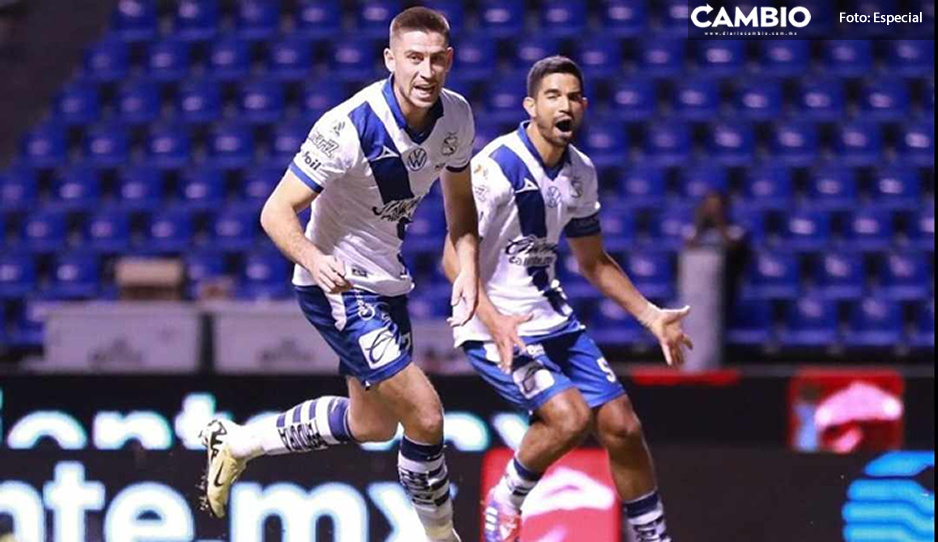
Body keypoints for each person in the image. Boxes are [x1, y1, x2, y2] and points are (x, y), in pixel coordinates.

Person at [198, 8, 479, 542]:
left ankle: (238, 443)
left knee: (372, 425)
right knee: (425, 416)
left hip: (388, 284)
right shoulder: (347, 127)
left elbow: (461, 209)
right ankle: (442, 537)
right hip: (339, 286)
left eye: (436, 59)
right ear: (390, 60)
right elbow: (275, 211)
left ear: (450, 61)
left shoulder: (458, 118)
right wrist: (313, 257)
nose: (426, 71)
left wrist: (468, 267)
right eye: (413, 58)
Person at [442, 56, 692, 542]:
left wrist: (651, 316)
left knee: (623, 427)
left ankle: (652, 537)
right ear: (531, 106)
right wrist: (492, 320)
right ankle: (506, 498)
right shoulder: (496, 168)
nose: (566, 105)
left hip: (551, 319)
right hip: (491, 323)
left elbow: (594, 262)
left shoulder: (580, 173)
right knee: (570, 417)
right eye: (553, 96)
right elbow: (453, 257)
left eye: (574, 97)